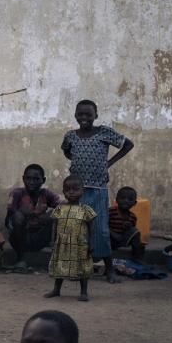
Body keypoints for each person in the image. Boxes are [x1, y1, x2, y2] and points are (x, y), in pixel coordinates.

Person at [62, 100, 134, 283]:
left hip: (98, 190)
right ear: (75, 115)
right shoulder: (71, 135)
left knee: (101, 230)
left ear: (96, 115)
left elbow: (128, 145)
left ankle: (109, 270)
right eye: (80, 114)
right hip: (76, 191)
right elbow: (67, 151)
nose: (84, 118)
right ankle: (77, 268)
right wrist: (77, 160)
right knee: (77, 229)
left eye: (88, 114)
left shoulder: (104, 132)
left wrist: (108, 163)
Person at [46, 176, 96, 301]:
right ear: (63, 191)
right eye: (68, 189)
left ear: (82, 191)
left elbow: (91, 228)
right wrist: (52, 240)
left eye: (75, 189)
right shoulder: (59, 209)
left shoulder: (86, 210)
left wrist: (91, 242)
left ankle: (83, 292)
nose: (71, 192)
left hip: (80, 244)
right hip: (62, 244)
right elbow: (54, 226)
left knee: (82, 267)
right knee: (60, 266)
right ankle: (56, 290)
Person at [6, 164, 60, 272]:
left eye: (36, 179)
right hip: (20, 238)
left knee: (56, 214)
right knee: (18, 216)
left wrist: (47, 216)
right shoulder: (17, 193)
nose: (31, 182)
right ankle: (20, 259)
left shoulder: (46, 194)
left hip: (40, 237)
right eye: (28, 179)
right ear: (23, 179)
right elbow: (8, 219)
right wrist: (21, 213)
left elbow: (62, 206)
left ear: (43, 180)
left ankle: (58, 259)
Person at [108, 186, 146, 261]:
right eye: (122, 198)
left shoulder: (132, 217)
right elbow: (103, 225)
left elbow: (131, 232)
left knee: (135, 232)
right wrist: (113, 234)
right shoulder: (111, 211)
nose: (126, 201)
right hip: (109, 240)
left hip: (122, 240)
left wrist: (128, 227)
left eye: (130, 199)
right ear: (116, 200)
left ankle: (137, 258)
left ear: (134, 203)